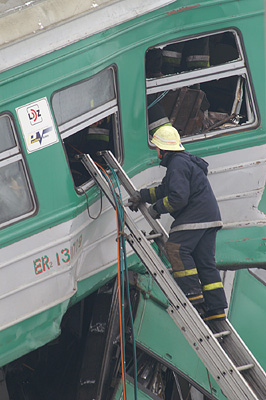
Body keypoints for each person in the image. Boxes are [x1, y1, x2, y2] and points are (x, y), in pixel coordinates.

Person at [129, 126, 228, 322]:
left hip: (195, 216)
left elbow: (177, 198)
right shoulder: (184, 162)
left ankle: (192, 295)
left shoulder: (177, 164)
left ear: (163, 150)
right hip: (209, 216)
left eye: (157, 149)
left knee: (175, 249)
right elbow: (166, 189)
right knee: (205, 262)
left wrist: (156, 209)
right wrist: (142, 196)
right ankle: (216, 309)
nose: (157, 155)